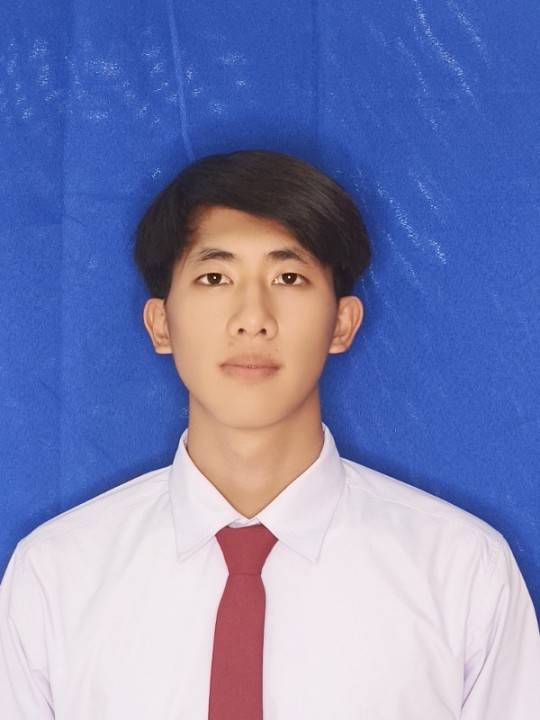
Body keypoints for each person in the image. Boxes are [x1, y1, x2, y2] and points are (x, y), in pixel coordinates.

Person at [0, 150, 538, 719]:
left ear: (342, 323)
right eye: (215, 277)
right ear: (161, 324)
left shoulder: (462, 573)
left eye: (289, 277)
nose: (253, 318)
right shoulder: (55, 577)